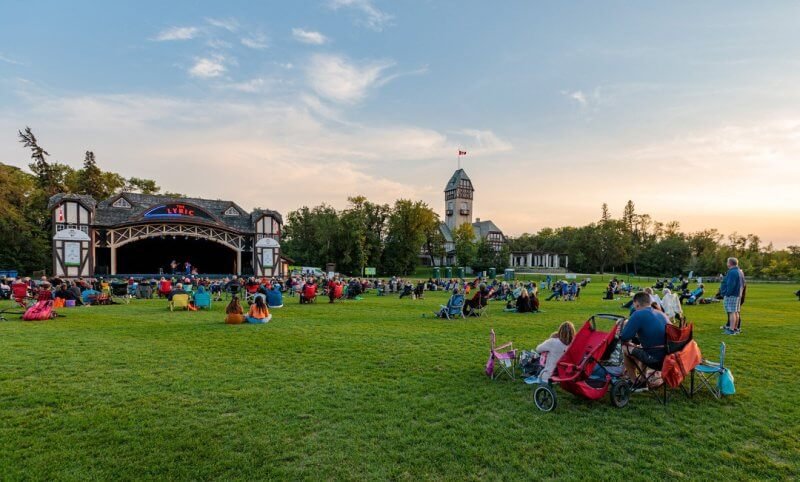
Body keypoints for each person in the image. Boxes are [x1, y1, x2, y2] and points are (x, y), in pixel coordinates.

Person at [620, 291, 668, 390]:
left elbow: (624, 337)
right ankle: (642, 378)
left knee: (625, 347)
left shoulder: (638, 314)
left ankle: (635, 382)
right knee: (640, 348)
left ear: (636, 303)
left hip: (655, 360)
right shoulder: (661, 313)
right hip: (668, 358)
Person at [720, 257, 746, 334]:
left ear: (730, 263)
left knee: (731, 312)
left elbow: (730, 284)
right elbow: (743, 283)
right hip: (737, 294)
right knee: (736, 311)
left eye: (727, 262)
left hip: (731, 295)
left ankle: (731, 330)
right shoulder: (740, 271)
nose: (727, 263)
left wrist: (727, 293)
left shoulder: (732, 272)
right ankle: (735, 328)